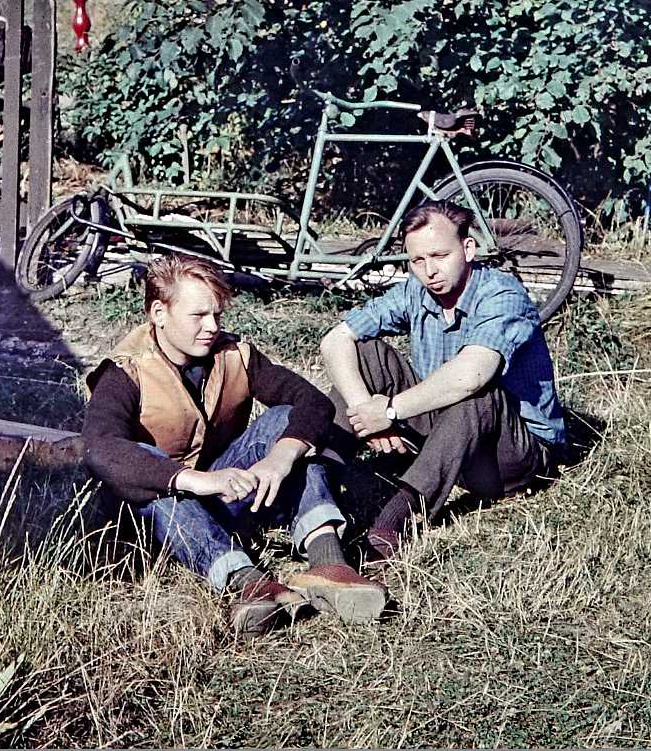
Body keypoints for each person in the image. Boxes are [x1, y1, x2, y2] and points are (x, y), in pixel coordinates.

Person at [83, 255, 386, 634]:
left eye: (217, 315)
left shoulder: (234, 354)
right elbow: (99, 448)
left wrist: (281, 456)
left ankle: (328, 562)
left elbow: (313, 403)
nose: (212, 327)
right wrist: (194, 480)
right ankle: (246, 581)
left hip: (225, 494)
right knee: (148, 467)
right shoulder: (125, 370)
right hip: (158, 519)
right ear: (159, 313)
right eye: (198, 316)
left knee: (286, 422)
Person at [320, 200, 568, 562]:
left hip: (511, 455)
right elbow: (335, 340)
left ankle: (398, 519)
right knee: (366, 352)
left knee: (478, 392)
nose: (429, 271)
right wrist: (364, 411)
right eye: (417, 260)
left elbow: (472, 375)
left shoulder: (501, 294)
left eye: (440, 255)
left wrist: (389, 411)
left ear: (468, 249)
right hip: (448, 437)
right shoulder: (416, 290)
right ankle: (316, 486)